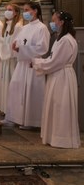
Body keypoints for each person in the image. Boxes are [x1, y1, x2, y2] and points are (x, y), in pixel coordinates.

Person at [32, 11, 80, 149]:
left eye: (54, 20)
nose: (52, 24)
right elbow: (54, 59)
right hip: (58, 75)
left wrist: (36, 62)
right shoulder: (61, 38)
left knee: (61, 106)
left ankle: (62, 139)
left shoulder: (66, 40)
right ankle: (53, 137)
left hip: (62, 76)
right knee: (55, 105)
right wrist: (40, 62)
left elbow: (55, 62)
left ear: (62, 22)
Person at [5, 2, 50, 129]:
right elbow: (18, 42)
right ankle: (15, 117)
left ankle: (31, 121)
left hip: (32, 64)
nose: (24, 13)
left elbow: (43, 48)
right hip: (22, 64)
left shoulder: (42, 28)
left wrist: (22, 49)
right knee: (16, 88)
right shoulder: (25, 28)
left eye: (27, 10)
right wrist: (15, 46)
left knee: (31, 91)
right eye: (24, 10)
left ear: (35, 11)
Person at [0, 3, 22, 115]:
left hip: (11, 59)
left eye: (10, 10)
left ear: (16, 13)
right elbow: (3, 41)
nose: (7, 12)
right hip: (5, 59)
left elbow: (13, 44)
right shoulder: (8, 25)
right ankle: (6, 109)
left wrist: (0, 44)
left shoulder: (18, 26)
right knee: (4, 85)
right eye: (6, 9)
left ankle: (12, 112)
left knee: (10, 85)